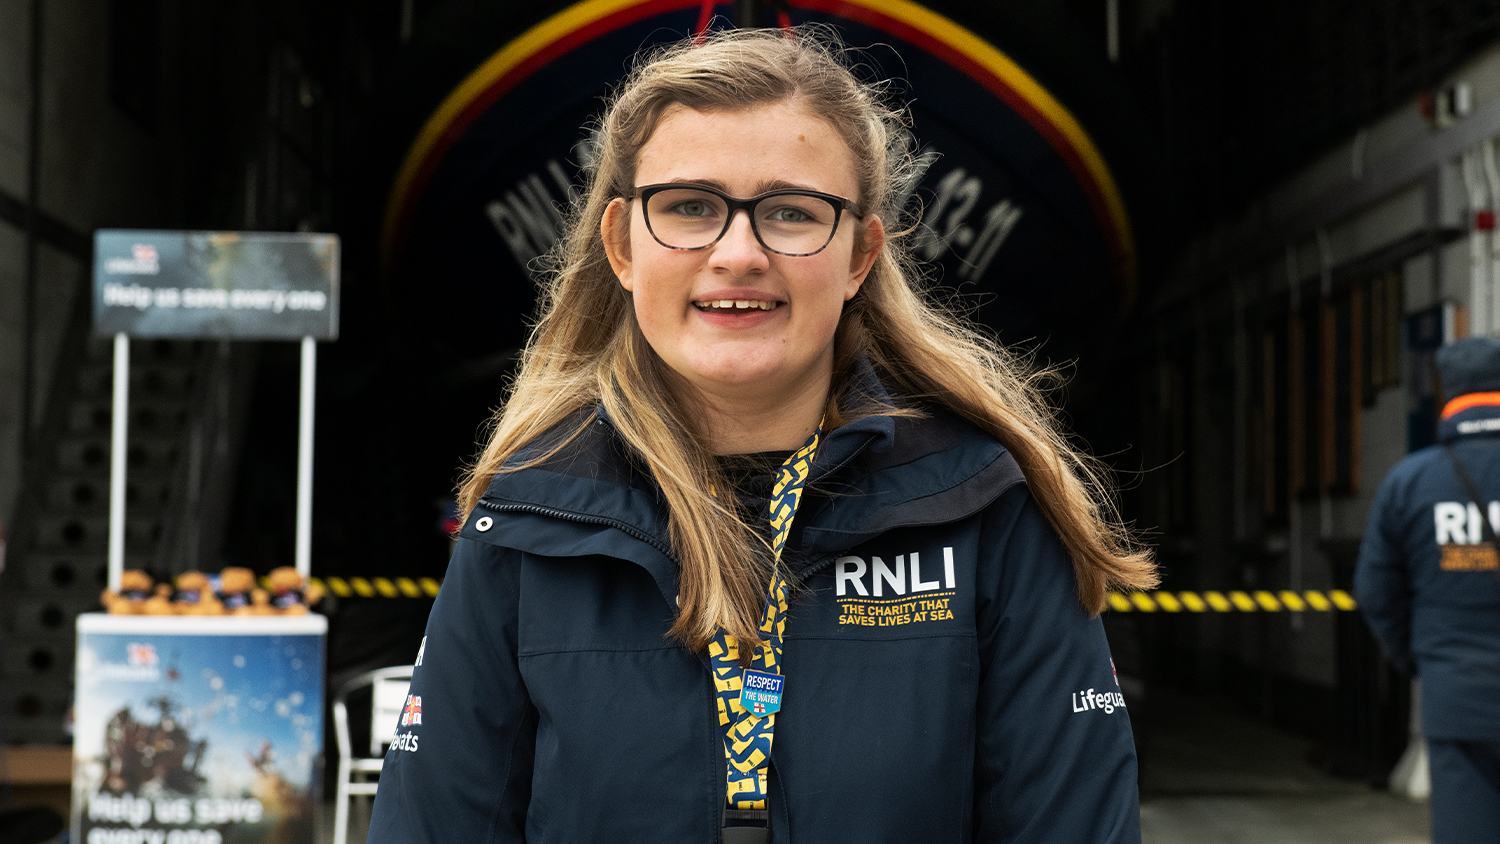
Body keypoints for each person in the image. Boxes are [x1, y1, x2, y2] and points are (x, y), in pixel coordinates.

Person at [367, 27, 1156, 843]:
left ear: (859, 257)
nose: (737, 253)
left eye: (790, 213)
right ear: (622, 245)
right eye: (690, 208)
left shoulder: (986, 509)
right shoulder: (528, 522)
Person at [1356, 336, 1500, 844]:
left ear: (1449, 394)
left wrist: (1421, 658)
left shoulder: (1410, 483)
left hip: (1454, 695)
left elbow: (1374, 590)